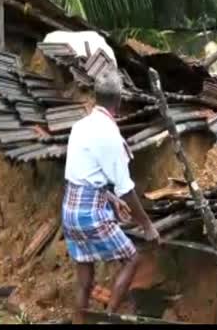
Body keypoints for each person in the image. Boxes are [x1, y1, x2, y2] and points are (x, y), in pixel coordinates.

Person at [62, 69, 160, 323]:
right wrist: (147, 226)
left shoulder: (79, 126)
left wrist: (110, 200)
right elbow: (125, 188)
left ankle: (79, 321)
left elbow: (84, 174)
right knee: (132, 258)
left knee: (84, 277)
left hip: (70, 210)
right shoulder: (110, 135)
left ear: (96, 96)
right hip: (90, 214)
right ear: (119, 101)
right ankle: (109, 318)